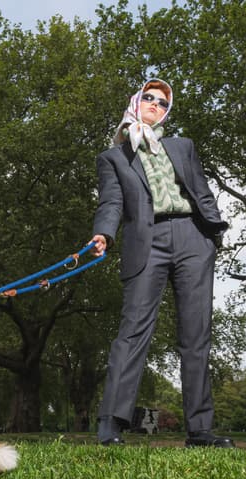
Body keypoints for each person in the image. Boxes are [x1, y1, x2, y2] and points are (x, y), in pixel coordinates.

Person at [90, 79, 233, 448]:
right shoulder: (114, 157)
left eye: (162, 101)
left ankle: (200, 431)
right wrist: (103, 233)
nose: (155, 103)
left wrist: (213, 233)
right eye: (149, 97)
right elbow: (111, 202)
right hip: (146, 241)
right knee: (133, 331)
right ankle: (110, 423)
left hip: (192, 238)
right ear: (135, 102)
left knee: (196, 334)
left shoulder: (182, 146)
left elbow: (200, 189)